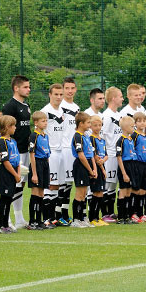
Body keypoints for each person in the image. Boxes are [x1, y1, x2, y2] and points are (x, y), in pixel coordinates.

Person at [1, 75, 32, 228]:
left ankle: (19, 218)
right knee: (12, 184)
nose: (29, 89)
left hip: (25, 150)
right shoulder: (10, 106)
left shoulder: (26, 106)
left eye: (29, 86)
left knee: (21, 184)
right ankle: (6, 220)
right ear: (16, 88)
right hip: (15, 151)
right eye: (26, 87)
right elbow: (3, 127)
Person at [40, 83, 68, 227]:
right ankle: (46, 219)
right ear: (50, 95)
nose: (58, 97)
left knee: (57, 186)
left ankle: (53, 217)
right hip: (50, 153)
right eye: (56, 94)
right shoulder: (45, 111)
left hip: (60, 151)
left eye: (60, 94)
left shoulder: (62, 111)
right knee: (49, 185)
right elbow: (41, 133)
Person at [100, 86, 124, 223]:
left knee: (113, 186)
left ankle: (110, 212)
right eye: (120, 96)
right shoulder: (107, 116)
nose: (122, 98)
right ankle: (104, 214)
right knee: (107, 185)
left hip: (117, 155)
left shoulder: (118, 115)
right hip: (109, 155)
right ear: (113, 98)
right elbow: (102, 137)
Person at [58, 77, 80, 224]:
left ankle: (65, 214)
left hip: (72, 150)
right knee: (61, 183)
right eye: (67, 88)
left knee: (69, 183)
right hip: (62, 150)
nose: (70, 91)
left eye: (72, 88)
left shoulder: (77, 108)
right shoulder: (59, 107)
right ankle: (57, 215)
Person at [0, 115, 21, 233]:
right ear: (6, 127)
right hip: (6, 173)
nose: (15, 127)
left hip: (14, 171)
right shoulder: (2, 142)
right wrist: (15, 174)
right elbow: (5, 161)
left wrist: (18, 173)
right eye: (13, 125)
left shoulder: (13, 141)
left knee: (9, 198)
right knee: (3, 199)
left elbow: (17, 158)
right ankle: (0, 225)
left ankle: (6, 224)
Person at [70, 112, 97, 227]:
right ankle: (76, 219)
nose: (90, 125)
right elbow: (81, 155)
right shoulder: (77, 136)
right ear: (81, 124)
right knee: (80, 193)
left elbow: (91, 154)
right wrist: (90, 170)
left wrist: (94, 169)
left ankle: (82, 217)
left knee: (84, 193)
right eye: (88, 123)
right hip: (81, 165)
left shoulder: (86, 136)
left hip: (88, 165)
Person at [27, 111, 51, 229]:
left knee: (42, 193)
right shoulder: (34, 136)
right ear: (36, 122)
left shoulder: (45, 136)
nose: (45, 123)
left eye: (46, 120)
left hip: (44, 165)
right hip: (37, 164)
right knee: (35, 193)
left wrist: (48, 171)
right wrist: (34, 173)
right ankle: (32, 221)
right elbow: (32, 154)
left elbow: (47, 154)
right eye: (43, 121)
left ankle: (39, 220)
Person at [130, 113, 146, 223]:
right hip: (137, 165)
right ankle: (133, 213)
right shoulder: (134, 136)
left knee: (144, 190)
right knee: (136, 189)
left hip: (145, 165)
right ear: (134, 123)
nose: (142, 123)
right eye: (139, 121)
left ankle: (141, 213)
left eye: (144, 121)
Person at [115, 116, 138, 224]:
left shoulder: (130, 139)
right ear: (125, 127)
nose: (134, 128)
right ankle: (121, 217)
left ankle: (127, 216)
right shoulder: (121, 140)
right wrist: (124, 173)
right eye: (132, 126)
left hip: (132, 166)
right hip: (125, 166)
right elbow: (119, 157)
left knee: (129, 191)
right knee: (123, 191)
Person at [88, 116, 109, 226]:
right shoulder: (91, 139)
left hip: (102, 167)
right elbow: (94, 155)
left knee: (101, 192)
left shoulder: (102, 139)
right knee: (96, 192)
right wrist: (101, 168)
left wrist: (104, 161)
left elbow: (106, 155)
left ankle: (98, 217)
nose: (97, 127)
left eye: (99, 125)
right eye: (95, 125)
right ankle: (92, 217)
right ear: (90, 126)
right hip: (96, 168)